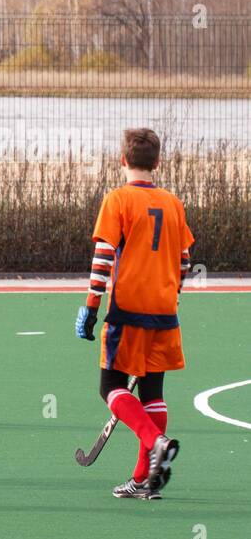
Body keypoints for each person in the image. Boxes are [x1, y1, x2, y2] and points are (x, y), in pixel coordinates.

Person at [75, 128, 191, 500]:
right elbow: (185, 262)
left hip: (127, 311)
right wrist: (170, 294)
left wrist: (91, 308)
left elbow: (103, 258)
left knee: (110, 387)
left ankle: (155, 441)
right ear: (157, 162)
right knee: (153, 391)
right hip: (164, 311)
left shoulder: (117, 199)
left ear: (122, 161)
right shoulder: (173, 203)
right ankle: (144, 479)